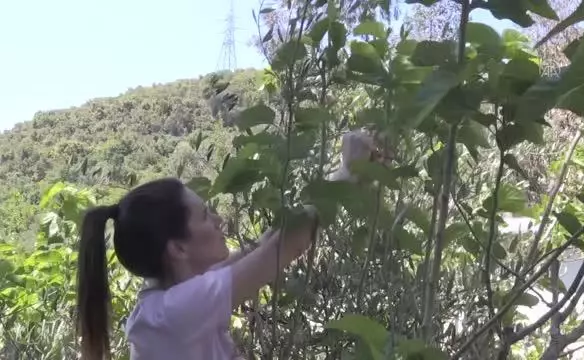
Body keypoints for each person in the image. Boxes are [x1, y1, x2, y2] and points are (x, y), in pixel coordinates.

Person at [75, 130, 381, 360]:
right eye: (206, 215)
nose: (219, 220)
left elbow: (265, 245)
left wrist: (348, 179)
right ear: (178, 249)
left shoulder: (168, 300)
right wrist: (347, 173)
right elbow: (281, 250)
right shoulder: (174, 312)